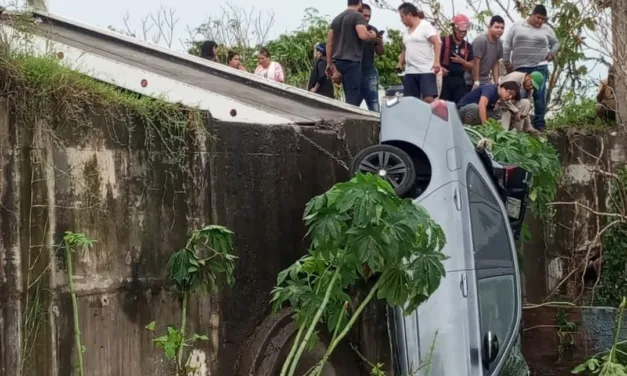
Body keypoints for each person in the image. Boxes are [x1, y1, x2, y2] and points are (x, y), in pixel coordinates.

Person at [503, 4, 560, 130]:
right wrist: (507, 62)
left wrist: (552, 54)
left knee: (539, 95)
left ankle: (540, 123)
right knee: (520, 95)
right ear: (532, 15)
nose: (540, 21)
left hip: (539, 66)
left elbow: (556, 43)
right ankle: (518, 124)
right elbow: (507, 44)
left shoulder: (547, 29)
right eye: (538, 18)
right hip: (520, 67)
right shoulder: (517, 26)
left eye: (543, 19)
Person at [326, 0, 377, 106]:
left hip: (338, 61)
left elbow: (329, 43)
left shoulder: (337, 19)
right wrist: (373, 35)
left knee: (348, 93)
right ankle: (350, 121)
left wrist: (329, 63)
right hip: (352, 61)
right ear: (360, 3)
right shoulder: (358, 16)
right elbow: (363, 35)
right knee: (353, 95)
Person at [396, 2, 441, 103]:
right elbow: (405, 48)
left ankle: (429, 118)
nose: (401, 20)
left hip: (426, 69)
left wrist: (437, 61)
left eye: (402, 17)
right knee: (411, 101)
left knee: (428, 99)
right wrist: (400, 62)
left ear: (409, 15)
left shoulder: (426, 26)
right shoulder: (406, 31)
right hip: (410, 70)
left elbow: (437, 43)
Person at [440, 14, 474, 103]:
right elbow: (433, 58)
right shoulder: (443, 41)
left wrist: (461, 61)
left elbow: (472, 65)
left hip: (460, 80)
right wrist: (440, 68)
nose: (463, 34)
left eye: (465, 32)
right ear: (455, 29)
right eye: (460, 31)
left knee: (459, 106)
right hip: (444, 80)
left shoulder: (468, 46)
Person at [466, 16, 505, 91]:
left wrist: (496, 83)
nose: (500, 30)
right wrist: (476, 82)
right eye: (497, 27)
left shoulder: (499, 43)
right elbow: (475, 63)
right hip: (471, 80)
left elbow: (495, 63)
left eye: (502, 28)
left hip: (485, 80)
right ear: (489, 27)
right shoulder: (481, 40)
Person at [359, 4, 385, 112]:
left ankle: (379, 128)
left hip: (369, 71)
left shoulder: (373, 30)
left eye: (369, 16)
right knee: (351, 105)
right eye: (364, 15)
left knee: (374, 105)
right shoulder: (352, 30)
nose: (367, 18)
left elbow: (380, 52)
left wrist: (379, 43)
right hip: (354, 72)